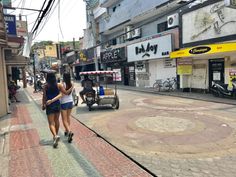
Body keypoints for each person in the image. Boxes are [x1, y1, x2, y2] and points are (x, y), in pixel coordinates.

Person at [42, 72, 73, 148]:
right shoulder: (59, 85)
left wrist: (43, 104)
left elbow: (44, 97)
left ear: (47, 78)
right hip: (57, 105)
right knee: (56, 121)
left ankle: (55, 136)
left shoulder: (45, 86)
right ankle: (56, 135)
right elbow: (64, 93)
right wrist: (72, 87)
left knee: (51, 123)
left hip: (50, 105)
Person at [60, 73, 74, 143]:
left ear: (63, 77)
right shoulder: (71, 84)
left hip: (64, 103)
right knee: (68, 117)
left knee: (64, 120)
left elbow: (65, 93)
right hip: (70, 102)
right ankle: (66, 130)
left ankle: (69, 131)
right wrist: (72, 87)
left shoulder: (63, 84)